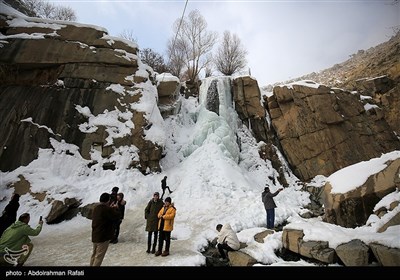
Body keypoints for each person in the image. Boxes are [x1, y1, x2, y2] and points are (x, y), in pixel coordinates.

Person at [90, 192, 120, 266]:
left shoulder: (96, 208)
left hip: (95, 235)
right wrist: (116, 208)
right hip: (103, 237)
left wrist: (110, 208)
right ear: (108, 200)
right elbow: (117, 216)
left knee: (94, 255)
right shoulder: (106, 209)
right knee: (99, 257)